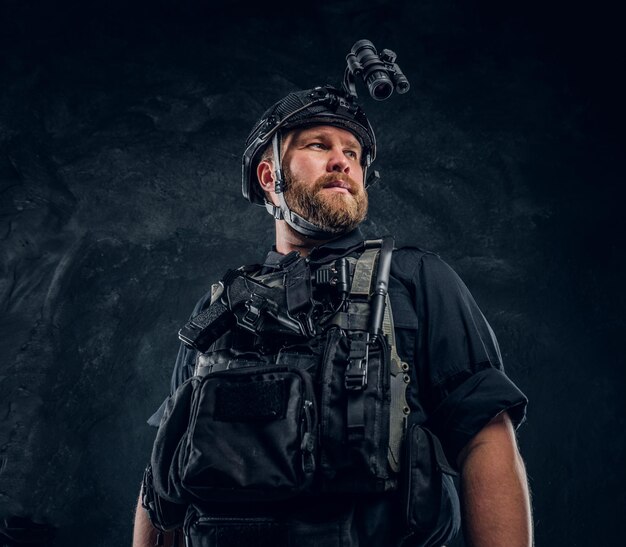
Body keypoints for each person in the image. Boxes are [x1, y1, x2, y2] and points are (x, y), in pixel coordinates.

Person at [132, 85, 533, 547]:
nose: (343, 161)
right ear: (269, 176)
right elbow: (163, 469)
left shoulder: (416, 279)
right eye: (318, 145)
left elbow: (485, 437)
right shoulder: (217, 312)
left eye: (354, 153)